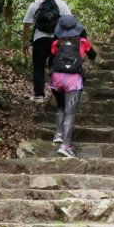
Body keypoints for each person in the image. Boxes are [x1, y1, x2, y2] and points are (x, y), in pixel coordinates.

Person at [49, 14, 96, 158]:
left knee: (61, 106)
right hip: (73, 80)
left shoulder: (56, 43)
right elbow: (93, 56)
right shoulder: (82, 42)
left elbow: (50, 60)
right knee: (70, 112)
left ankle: (58, 134)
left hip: (56, 79)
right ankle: (66, 146)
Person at [22, 0, 72, 102]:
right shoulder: (61, 4)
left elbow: (26, 24)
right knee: (56, 66)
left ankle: (39, 96)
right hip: (57, 39)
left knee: (38, 67)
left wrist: (25, 42)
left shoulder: (35, 4)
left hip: (39, 39)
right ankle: (59, 95)